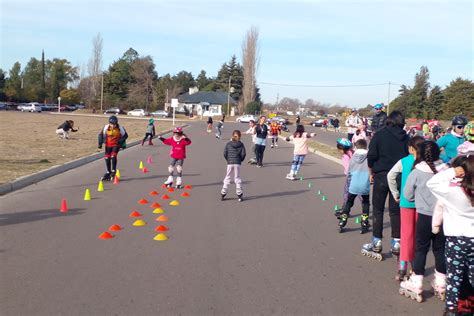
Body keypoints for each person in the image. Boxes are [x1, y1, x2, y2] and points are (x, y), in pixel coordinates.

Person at [399, 141, 448, 303]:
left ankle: (417, 282)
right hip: (443, 217)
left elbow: (407, 195)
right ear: (438, 153)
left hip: (425, 216)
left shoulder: (417, 172)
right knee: (440, 250)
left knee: (421, 249)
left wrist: (418, 199)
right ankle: (441, 282)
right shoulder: (445, 170)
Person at [427, 155, 474, 315]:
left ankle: (452, 309)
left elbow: (432, 183)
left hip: (456, 240)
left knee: (454, 277)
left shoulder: (452, 191)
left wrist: (452, 171)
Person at [361, 111, 409, 260]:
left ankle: (377, 241)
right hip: (399, 177)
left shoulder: (380, 135)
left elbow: (371, 156)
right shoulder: (406, 137)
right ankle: (396, 242)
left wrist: (371, 171)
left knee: (378, 209)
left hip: (381, 175)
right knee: (395, 211)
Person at [387, 136, 425, 281]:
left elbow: (391, 175)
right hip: (423, 205)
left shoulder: (404, 161)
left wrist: (396, 193)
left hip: (406, 203)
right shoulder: (427, 163)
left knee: (406, 234)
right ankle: (415, 267)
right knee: (418, 236)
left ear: (410, 148)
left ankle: (402, 267)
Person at [338, 139, 371, 234]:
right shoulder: (369, 157)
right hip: (364, 185)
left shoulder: (352, 158)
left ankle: (343, 221)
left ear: (356, 147)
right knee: (365, 204)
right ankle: (364, 222)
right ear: (366, 147)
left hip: (353, 185)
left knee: (349, 203)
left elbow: (349, 172)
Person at [98, 115, 128, 181]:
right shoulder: (106, 127)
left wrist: (120, 142)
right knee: (107, 157)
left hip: (116, 145)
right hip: (108, 145)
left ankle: (113, 170)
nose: (113, 125)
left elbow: (125, 135)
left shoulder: (120, 128)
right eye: (111, 124)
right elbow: (101, 135)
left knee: (113, 156)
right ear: (109, 123)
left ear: (116, 123)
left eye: (114, 124)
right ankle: (108, 172)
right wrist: (100, 143)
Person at [221, 130, 246, 202]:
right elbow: (243, 154)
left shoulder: (228, 144)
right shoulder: (241, 144)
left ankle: (223, 192)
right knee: (237, 177)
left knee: (228, 177)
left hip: (230, 163)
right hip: (237, 163)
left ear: (232, 136)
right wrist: (240, 160)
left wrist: (228, 160)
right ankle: (239, 194)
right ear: (240, 136)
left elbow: (225, 153)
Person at [334, 138, 354, 217]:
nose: (339, 151)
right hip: (358, 177)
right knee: (361, 195)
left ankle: (345, 210)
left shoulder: (345, 157)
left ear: (342, 149)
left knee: (347, 193)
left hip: (350, 177)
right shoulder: (353, 153)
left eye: (339, 149)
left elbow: (348, 168)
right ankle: (365, 211)